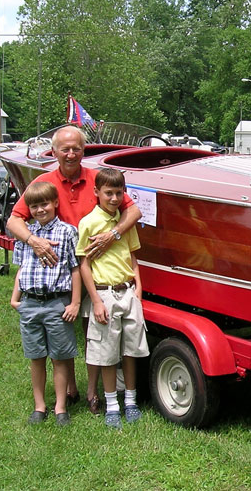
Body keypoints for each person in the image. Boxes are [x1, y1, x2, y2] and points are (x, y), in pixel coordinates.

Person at [6, 125, 142, 415]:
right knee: (63, 332)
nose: (70, 154)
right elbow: (14, 221)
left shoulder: (96, 178)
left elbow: (133, 211)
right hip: (57, 272)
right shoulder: (43, 182)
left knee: (92, 331)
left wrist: (113, 234)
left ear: (84, 150)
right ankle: (69, 390)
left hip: (92, 270)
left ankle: (93, 391)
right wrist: (34, 240)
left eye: (76, 148)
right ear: (53, 152)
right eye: (64, 149)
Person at [77, 168, 149, 429]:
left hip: (128, 292)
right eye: (109, 193)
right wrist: (95, 299)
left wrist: (138, 288)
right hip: (104, 294)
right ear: (96, 193)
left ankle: (130, 400)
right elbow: (84, 264)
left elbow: (132, 256)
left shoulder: (125, 222)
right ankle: (111, 405)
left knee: (130, 350)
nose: (115, 198)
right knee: (107, 353)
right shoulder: (88, 223)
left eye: (119, 193)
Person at [10, 182, 81, 426]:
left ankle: (61, 406)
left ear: (55, 204)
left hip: (56, 304)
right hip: (31, 303)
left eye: (44, 204)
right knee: (36, 356)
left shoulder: (67, 232)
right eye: (34, 206)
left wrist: (74, 303)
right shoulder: (26, 233)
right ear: (28, 209)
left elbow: (75, 268)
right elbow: (21, 268)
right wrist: (15, 297)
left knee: (60, 357)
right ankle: (39, 405)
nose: (40, 210)